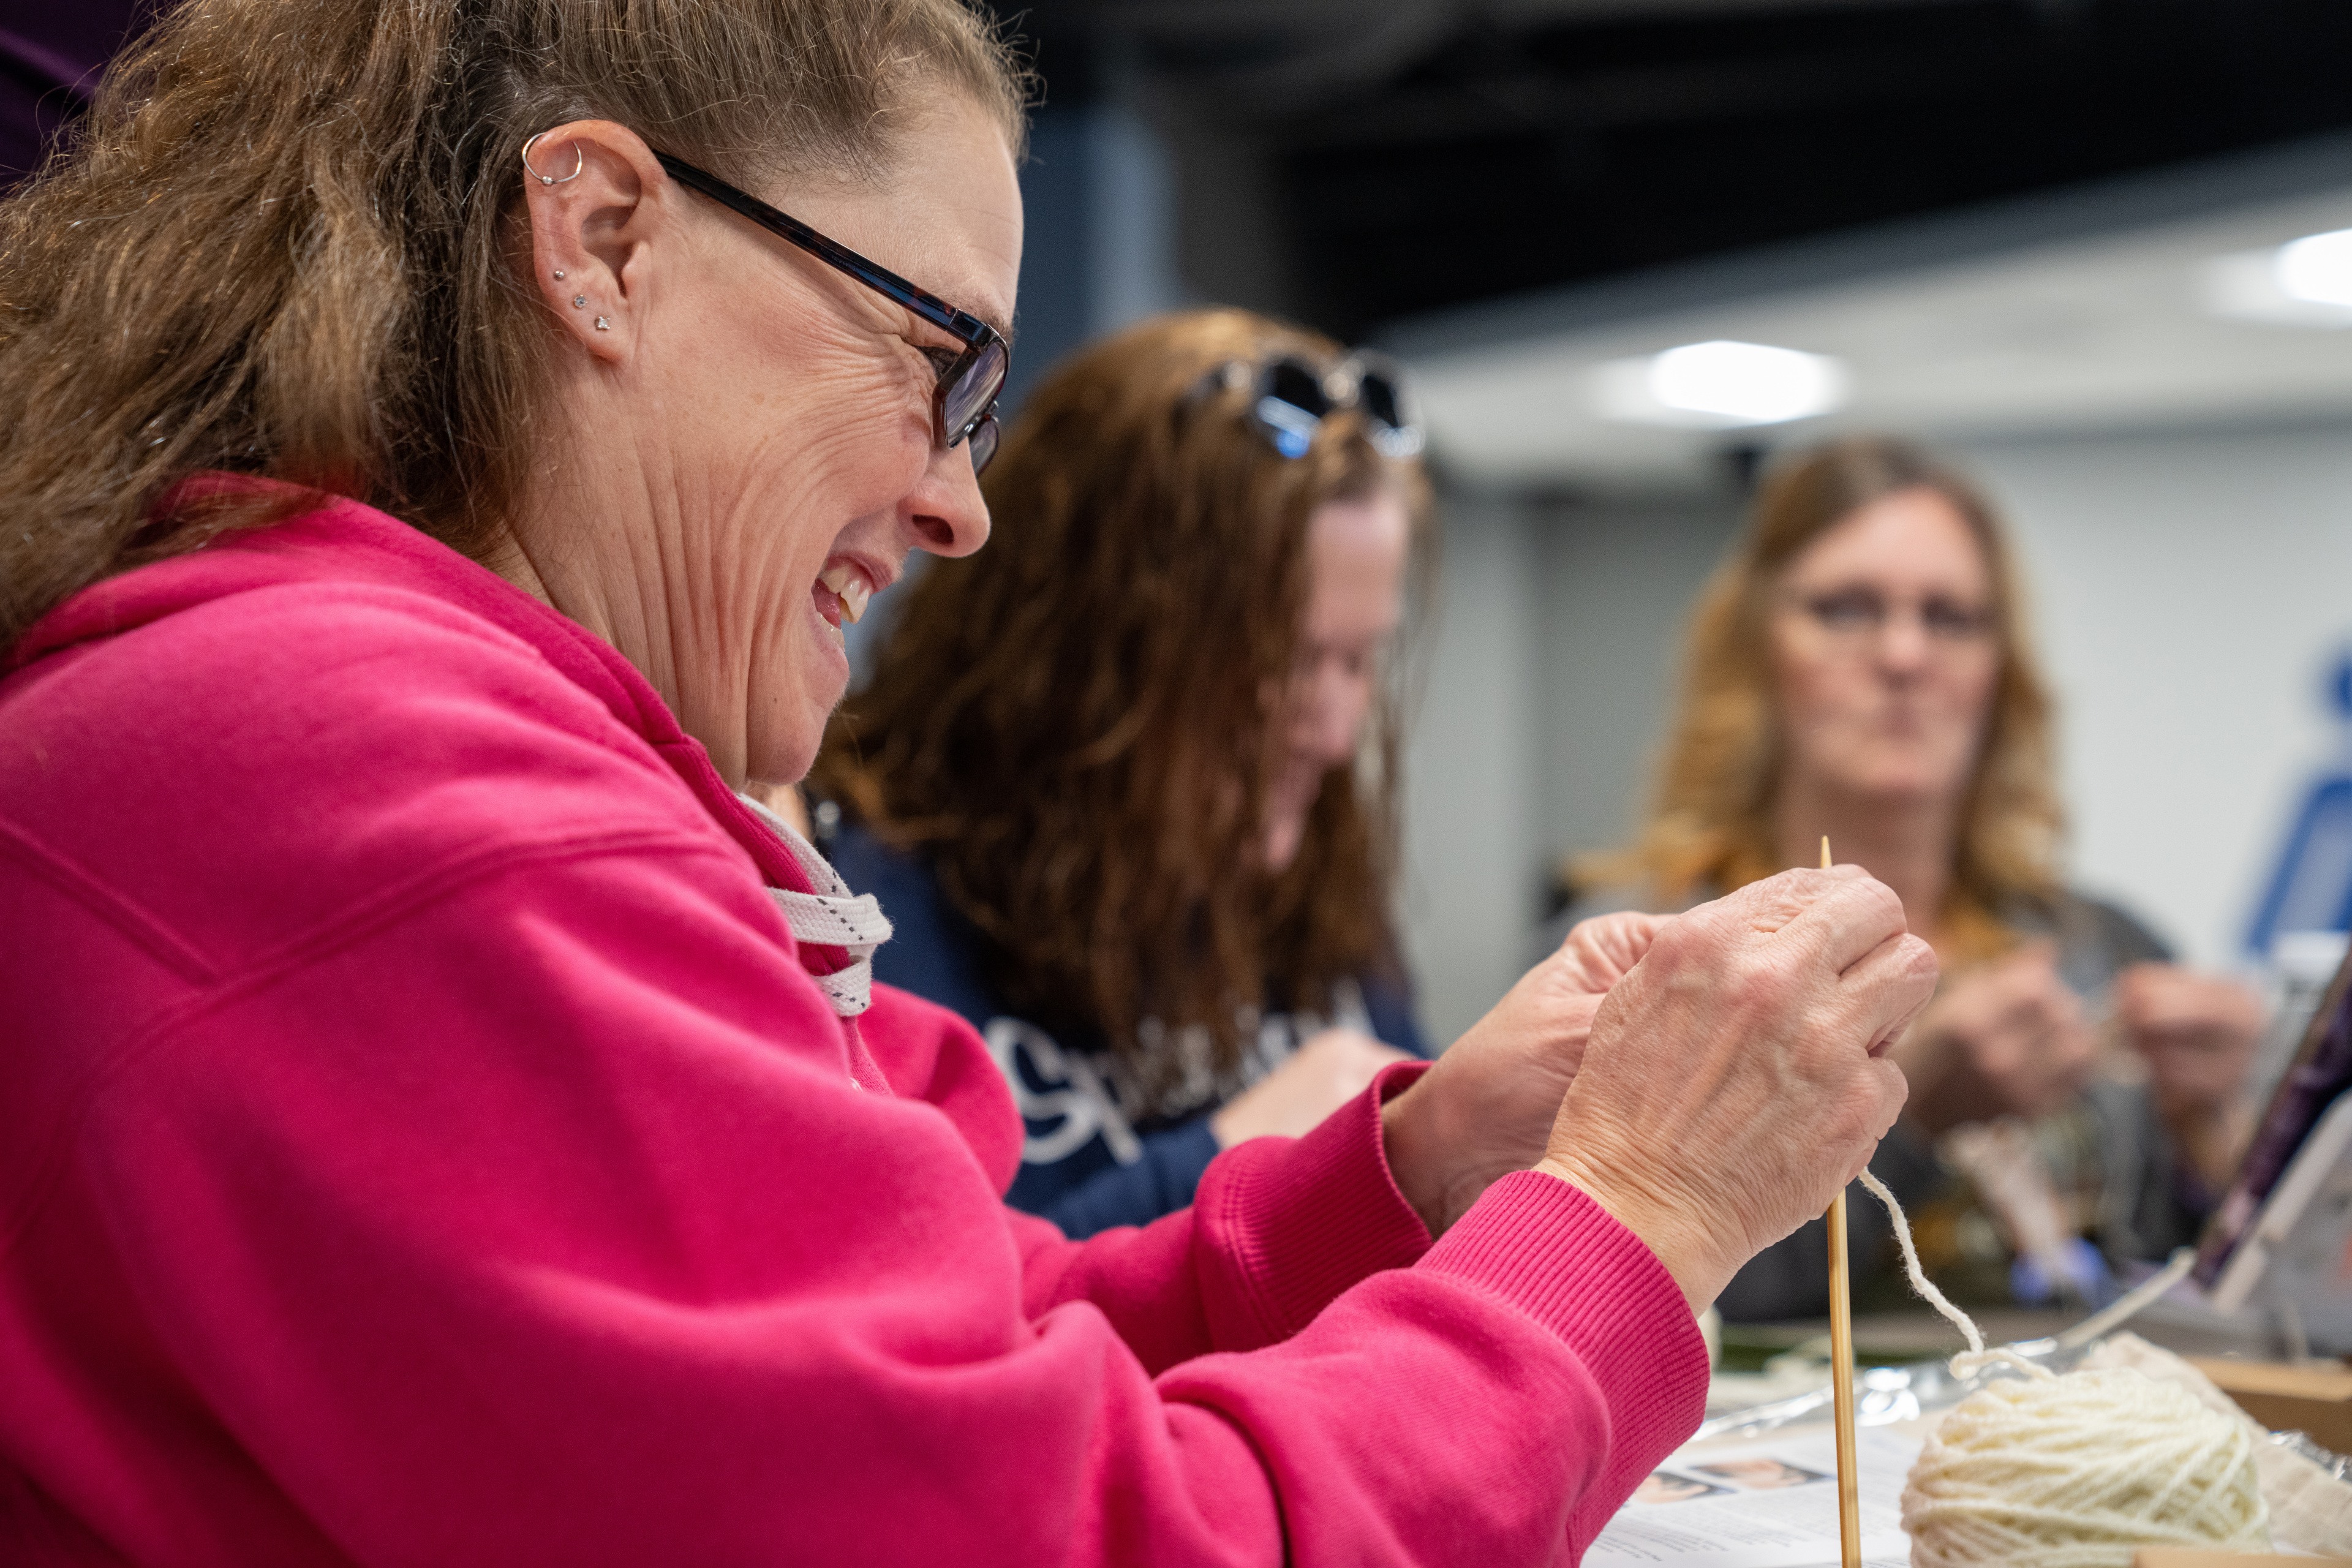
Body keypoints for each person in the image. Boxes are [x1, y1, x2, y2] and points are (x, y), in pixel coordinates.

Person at [0, 1, 1939, 1560]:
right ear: (600, 243)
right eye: (943, 364)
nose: (957, 503)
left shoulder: (342, 718)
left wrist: (1425, 1178)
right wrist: (1635, 1208)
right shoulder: (359, 763)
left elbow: (961, 1362)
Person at [1578, 435, 2263, 1319]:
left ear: (1997, 671)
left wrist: (2225, 1142)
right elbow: (1614, 1303)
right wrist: (1913, 1118)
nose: (1905, 656)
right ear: (1756, 649)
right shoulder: (1651, 959)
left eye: (1951, 619)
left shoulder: (2103, 947)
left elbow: (2164, 1286)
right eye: (1847, 610)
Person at [811, 309, 1428, 1237]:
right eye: (1286, 667)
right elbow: (927, 1311)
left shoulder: (1316, 911)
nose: (1335, 734)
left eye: (1357, 661)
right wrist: (1246, 1157)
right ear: (1093, 648)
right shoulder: (859, 914)